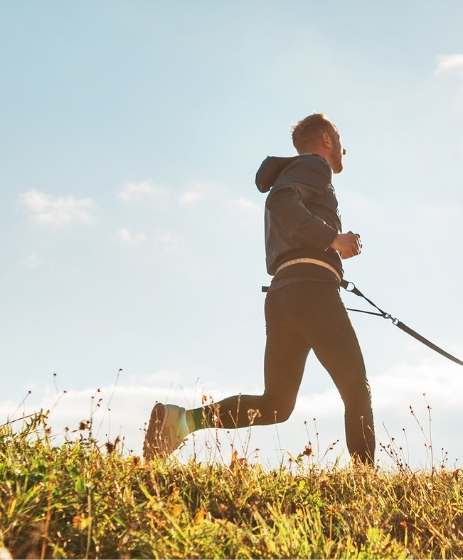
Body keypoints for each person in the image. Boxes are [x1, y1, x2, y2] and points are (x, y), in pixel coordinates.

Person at [142, 113, 376, 464]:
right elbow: (280, 201)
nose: (344, 148)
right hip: (311, 293)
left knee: (277, 404)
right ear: (327, 140)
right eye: (339, 139)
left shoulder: (294, 171)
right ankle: (365, 483)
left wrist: (331, 248)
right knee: (356, 388)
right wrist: (333, 239)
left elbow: (283, 205)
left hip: (284, 295)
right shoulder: (314, 166)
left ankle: (182, 421)